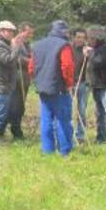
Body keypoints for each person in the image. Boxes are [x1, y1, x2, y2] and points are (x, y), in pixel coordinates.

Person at [29, 20, 75, 156]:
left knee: (46, 119)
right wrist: (69, 84)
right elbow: (67, 66)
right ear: (63, 31)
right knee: (62, 119)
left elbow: (31, 67)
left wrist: (37, 80)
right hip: (59, 87)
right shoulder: (64, 45)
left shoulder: (37, 45)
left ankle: (47, 150)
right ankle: (64, 150)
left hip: (42, 87)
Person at [6, 22, 35, 140]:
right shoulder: (15, 42)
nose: (30, 35)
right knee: (16, 105)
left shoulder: (28, 44)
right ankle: (15, 130)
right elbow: (17, 58)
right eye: (28, 32)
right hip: (18, 78)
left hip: (26, 78)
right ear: (21, 31)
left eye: (32, 33)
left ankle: (16, 129)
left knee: (21, 105)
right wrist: (31, 61)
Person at [71, 28, 90, 144]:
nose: (80, 40)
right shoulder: (68, 49)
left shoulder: (87, 50)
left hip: (83, 83)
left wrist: (88, 56)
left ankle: (80, 135)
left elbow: (93, 66)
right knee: (68, 110)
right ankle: (69, 134)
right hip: (70, 84)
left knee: (82, 111)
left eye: (83, 38)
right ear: (73, 37)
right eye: (78, 37)